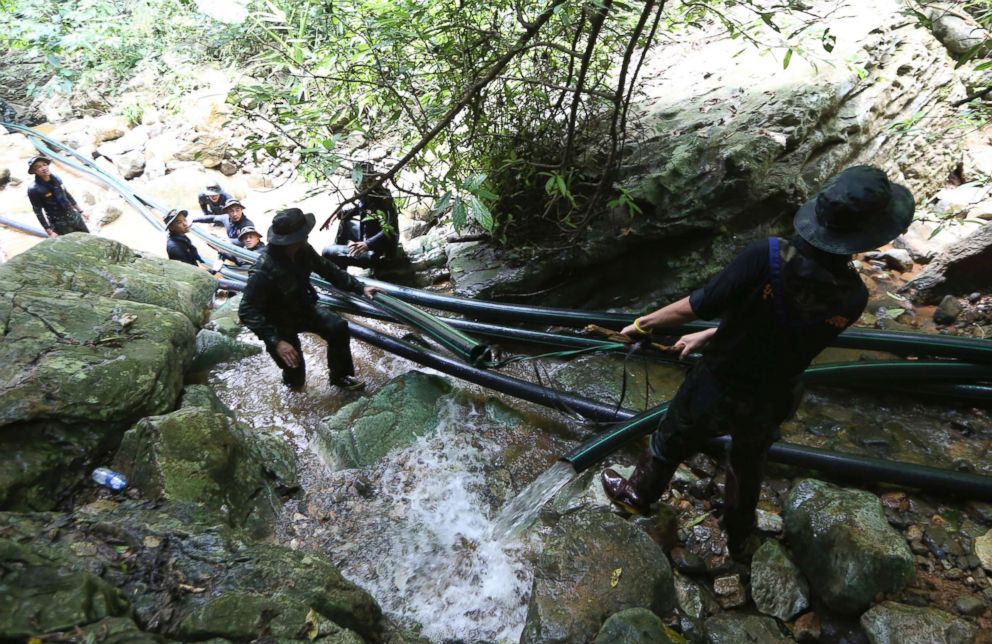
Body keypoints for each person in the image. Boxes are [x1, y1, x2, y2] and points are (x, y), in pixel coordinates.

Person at [600, 166, 914, 560]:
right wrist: (710, 334)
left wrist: (641, 325)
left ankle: (636, 496)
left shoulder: (765, 256)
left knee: (671, 437)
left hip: (719, 380)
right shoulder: (852, 298)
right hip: (773, 393)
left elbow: (700, 304)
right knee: (748, 461)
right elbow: (787, 332)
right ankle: (739, 534)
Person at [239, 207, 378, 391]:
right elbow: (246, 310)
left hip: (302, 308)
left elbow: (328, 269)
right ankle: (292, 389)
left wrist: (359, 287)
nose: (307, 237)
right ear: (290, 240)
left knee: (337, 327)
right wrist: (277, 341)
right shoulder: (263, 270)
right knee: (295, 374)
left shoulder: (303, 250)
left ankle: (340, 377)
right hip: (276, 324)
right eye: (303, 234)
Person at [320, 162, 400, 268]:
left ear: (373, 178)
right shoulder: (370, 193)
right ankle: (340, 256)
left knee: (327, 251)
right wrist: (339, 214)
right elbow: (363, 209)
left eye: (367, 180)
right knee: (346, 221)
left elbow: (391, 229)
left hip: (379, 252)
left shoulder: (384, 199)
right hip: (368, 237)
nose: (363, 183)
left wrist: (367, 244)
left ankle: (339, 268)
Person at [26, 155, 90, 237]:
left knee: (88, 237)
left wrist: (81, 211)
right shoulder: (34, 189)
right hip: (58, 223)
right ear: (34, 171)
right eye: (38, 167)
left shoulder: (56, 178)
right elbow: (38, 211)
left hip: (73, 215)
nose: (43, 168)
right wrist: (49, 231)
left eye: (44, 164)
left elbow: (66, 194)